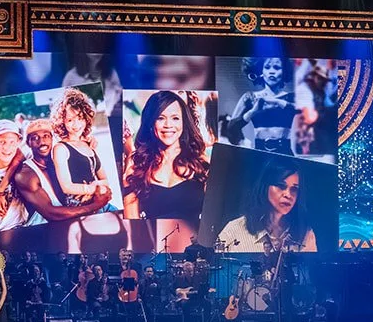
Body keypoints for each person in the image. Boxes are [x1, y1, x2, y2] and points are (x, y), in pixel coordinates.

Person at [122, 90, 209, 255]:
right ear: (150, 123)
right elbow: (133, 228)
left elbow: (215, 220)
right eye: (160, 118)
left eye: (175, 118)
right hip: (156, 255)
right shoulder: (136, 167)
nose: (168, 125)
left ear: (184, 122)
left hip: (197, 255)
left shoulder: (201, 164)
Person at [217, 159, 317, 253]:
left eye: (294, 189)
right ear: (265, 187)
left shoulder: (305, 234)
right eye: (281, 186)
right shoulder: (233, 231)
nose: (288, 194)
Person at [49, 88, 112, 205]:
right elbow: (67, 187)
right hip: (79, 205)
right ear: (62, 122)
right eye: (70, 120)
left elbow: (106, 180)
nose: (76, 124)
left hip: (100, 201)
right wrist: (95, 189)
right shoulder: (61, 149)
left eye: (80, 118)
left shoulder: (88, 143)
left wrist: (95, 186)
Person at [227, 56, 297, 154]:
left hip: (284, 154)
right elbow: (231, 128)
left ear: (284, 71)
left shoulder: (291, 97)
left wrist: (277, 101)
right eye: (267, 67)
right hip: (260, 154)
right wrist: (252, 112)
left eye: (277, 68)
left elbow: (308, 113)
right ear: (261, 71)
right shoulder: (250, 97)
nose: (271, 71)